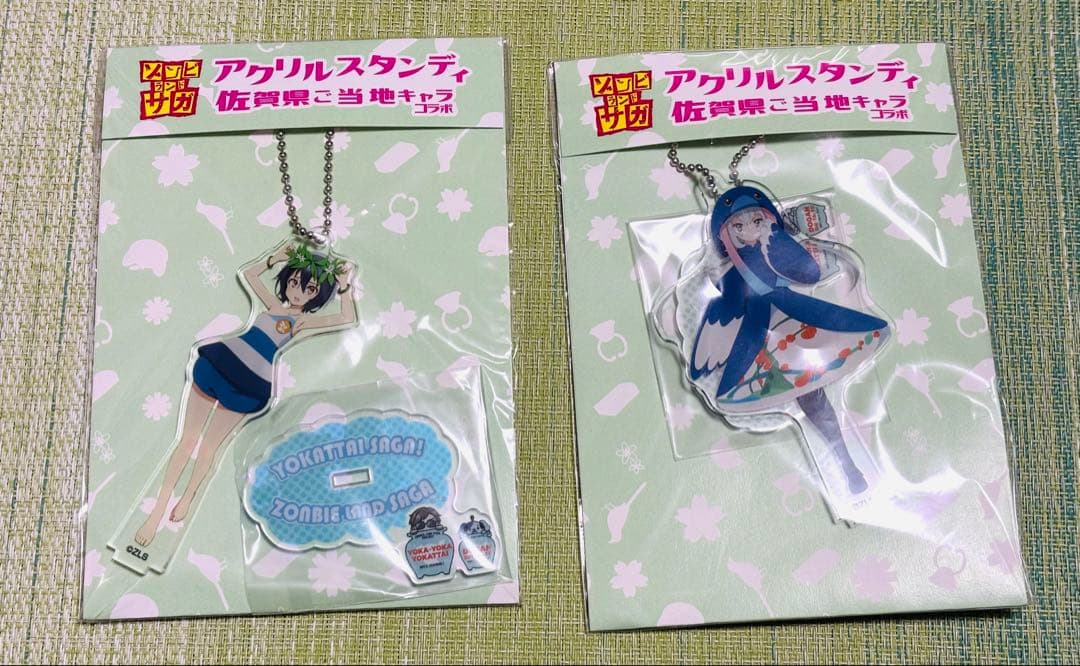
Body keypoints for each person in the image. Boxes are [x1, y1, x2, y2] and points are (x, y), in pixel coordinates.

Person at [134, 244, 357, 546]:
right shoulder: (271, 305)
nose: (297, 292)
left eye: (309, 289)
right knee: (187, 439)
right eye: (294, 282)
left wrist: (344, 285)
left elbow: (345, 317)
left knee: (210, 447)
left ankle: (187, 498)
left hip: (249, 382)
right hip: (220, 363)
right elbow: (250, 275)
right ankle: (156, 511)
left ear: (316, 295)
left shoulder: (303, 322)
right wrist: (276, 258)